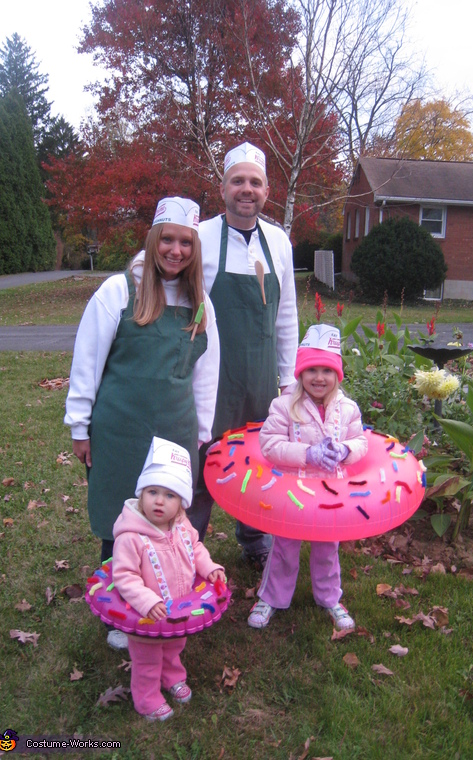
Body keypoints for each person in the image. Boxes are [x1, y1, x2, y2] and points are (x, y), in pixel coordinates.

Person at [64, 197, 220, 650]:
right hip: (120, 427)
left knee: (165, 517)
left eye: (185, 242)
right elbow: (87, 359)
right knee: (122, 515)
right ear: (153, 241)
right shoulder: (118, 291)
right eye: (167, 240)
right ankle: (119, 607)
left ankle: (167, 595)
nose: (175, 250)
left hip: (175, 428)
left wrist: (203, 432)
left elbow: (207, 370)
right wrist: (80, 425)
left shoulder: (200, 302)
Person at [187, 143, 299, 568]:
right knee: (201, 463)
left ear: (267, 191)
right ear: (223, 188)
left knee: (257, 462)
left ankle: (254, 540)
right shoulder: (199, 238)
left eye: (254, 182)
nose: (246, 189)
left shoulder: (279, 241)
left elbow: (286, 314)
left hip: (260, 379)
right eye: (238, 181)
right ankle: (187, 543)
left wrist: (288, 381)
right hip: (208, 377)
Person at [247, 324, 368, 630]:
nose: (319, 377)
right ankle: (272, 597)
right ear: (299, 373)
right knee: (284, 547)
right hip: (293, 492)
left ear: (337, 375)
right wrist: (307, 453)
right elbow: (270, 443)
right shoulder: (285, 406)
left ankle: (330, 597)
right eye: (311, 369)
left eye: (326, 370)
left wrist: (344, 450)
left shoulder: (348, 409)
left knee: (328, 548)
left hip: (331, 493)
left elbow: (361, 442)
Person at [112, 436, 226, 722]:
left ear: (181, 504)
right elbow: (124, 575)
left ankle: (172, 676)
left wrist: (208, 567)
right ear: (141, 495)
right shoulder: (130, 537)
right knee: (147, 659)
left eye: (170, 495)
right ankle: (147, 699)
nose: (160, 500)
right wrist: (146, 600)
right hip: (148, 614)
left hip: (179, 608)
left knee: (175, 646)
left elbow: (195, 548)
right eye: (152, 491)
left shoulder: (181, 526)